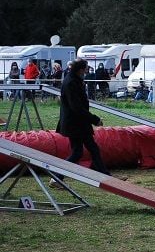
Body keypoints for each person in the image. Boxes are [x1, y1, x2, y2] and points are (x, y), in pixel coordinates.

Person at [50, 59, 125, 189]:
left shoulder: (73, 79)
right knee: (82, 152)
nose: (87, 71)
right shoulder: (71, 83)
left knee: (87, 150)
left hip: (77, 123)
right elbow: (76, 107)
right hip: (75, 124)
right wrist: (94, 119)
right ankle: (56, 177)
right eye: (86, 68)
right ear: (80, 69)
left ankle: (105, 176)